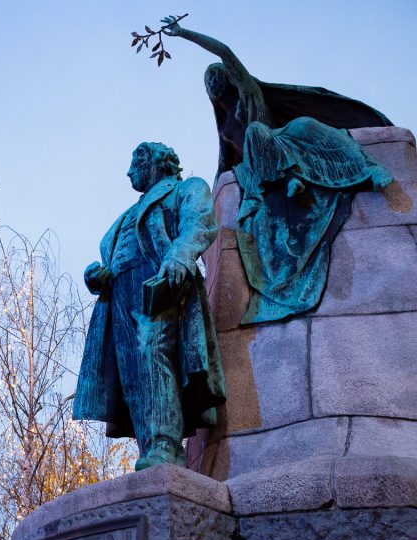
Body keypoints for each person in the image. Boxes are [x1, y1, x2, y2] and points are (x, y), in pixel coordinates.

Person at [73, 143, 225, 470]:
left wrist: (179, 257)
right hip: (119, 294)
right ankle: (150, 449)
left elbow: (199, 224)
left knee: (152, 352)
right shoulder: (125, 216)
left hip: (159, 283)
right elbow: (112, 256)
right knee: (131, 375)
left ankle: (165, 446)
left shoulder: (186, 189)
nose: (129, 173)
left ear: (153, 164)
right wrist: (97, 275)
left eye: (134, 165)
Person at [160, 22, 393, 179]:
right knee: (252, 139)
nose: (211, 81)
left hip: (283, 141)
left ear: (228, 77)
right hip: (260, 165)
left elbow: (225, 52)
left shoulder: (248, 93)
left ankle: (369, 168)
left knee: (304, 125)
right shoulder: (225, 129)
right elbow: (223, 167)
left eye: (216, 74)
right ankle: (286, 181)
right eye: (207, 79)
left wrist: (184, 33)